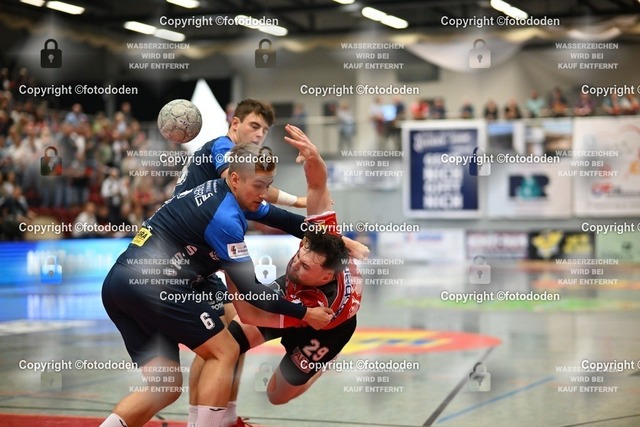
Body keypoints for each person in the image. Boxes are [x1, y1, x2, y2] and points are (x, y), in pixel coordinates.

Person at [99, 142, 334, 427]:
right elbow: (252, 292)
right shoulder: (225, 219)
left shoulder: (226, 192)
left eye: (268, 185)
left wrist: (332, 238)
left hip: (119, 284)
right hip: (155, 286)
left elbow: (280, 217)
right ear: (235, 179)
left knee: (165, 386)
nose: (264, 194)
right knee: (225, 351)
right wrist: (305, 313)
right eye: (258, 186)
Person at [178, 99, 307, 427]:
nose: (260, 134)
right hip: (187, 257)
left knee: (236, 335)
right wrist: (299, 201)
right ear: (234, 125)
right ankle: (199, 421)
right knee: (219, 345)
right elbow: (251, 185)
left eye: (265, 130)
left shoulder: (240, 167)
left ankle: (226, 417)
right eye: (254, 125)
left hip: (205, 256)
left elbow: (257, 195)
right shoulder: (224, 148)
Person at [223, 125, 364, 424]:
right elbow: (317, 188)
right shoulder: (320, 239)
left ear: (325, 277)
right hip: (293, 294)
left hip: (322, 328)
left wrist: (227, 265)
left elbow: (250, 313)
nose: (295, 264)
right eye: (299, 255)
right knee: (228, 345)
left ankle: (319, 368)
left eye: (305, 266)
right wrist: (315, 159)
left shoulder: (325, 305)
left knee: (276, 395)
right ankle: (225, 418)